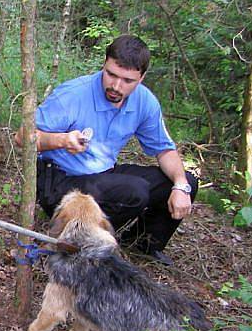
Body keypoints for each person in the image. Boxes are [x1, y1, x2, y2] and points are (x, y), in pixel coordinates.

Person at [20, 34, 197, 265]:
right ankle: (80, 248)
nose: (116, 86)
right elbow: (23, 137)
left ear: (141, 78)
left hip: (102, 175)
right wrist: (61, 140)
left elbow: (164, 150)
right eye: (111, 75)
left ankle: (141, 244)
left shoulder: (145, 102)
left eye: (127, 80)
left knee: (184, 182)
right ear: (104, 65)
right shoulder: (73, 95)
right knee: (134, 191)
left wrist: (180, 186)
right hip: (59, 180)